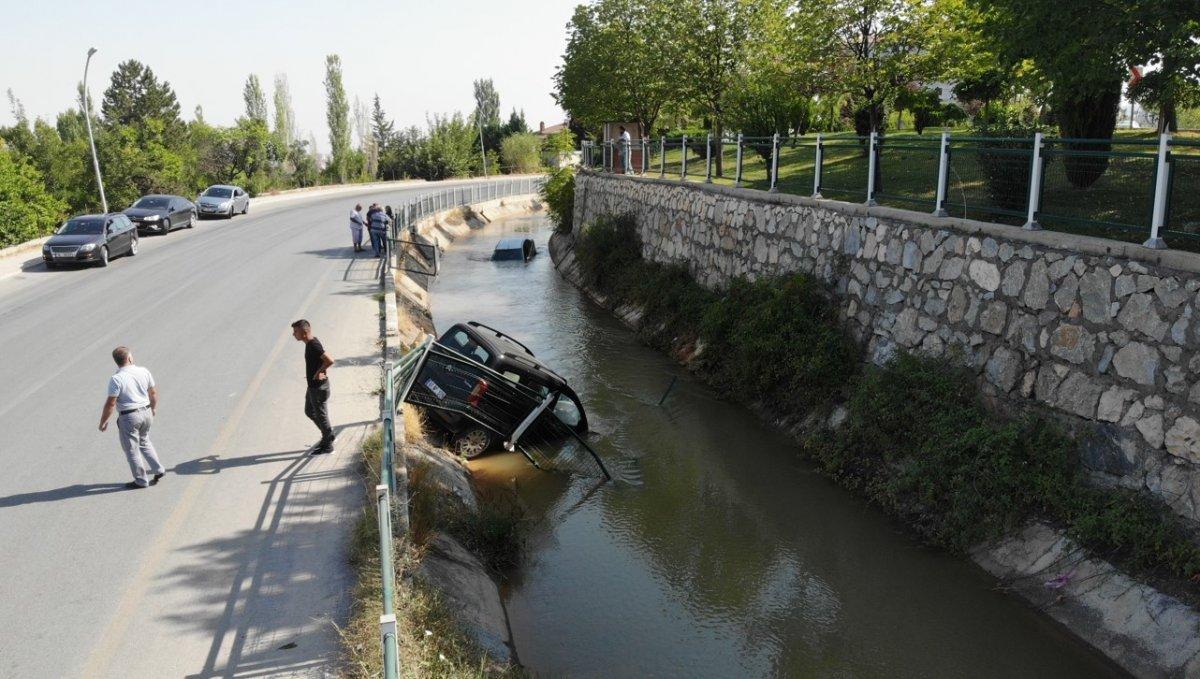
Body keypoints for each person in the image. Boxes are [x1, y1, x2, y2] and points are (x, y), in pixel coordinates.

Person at [98, 346, 166, 489]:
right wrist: (153, 408)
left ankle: (141, 480)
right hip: (146, 411)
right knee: (145, 441)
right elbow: (153, 393)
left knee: (132, 450)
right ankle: (158, 469)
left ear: (117, 362)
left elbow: (111, 403)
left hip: (129, 417)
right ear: (129, 358)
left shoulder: (116, 379)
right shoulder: (144, 371)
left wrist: (103, 422)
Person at [292, 320, 335, 454]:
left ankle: (327, 445)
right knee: (309, 411)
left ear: (304, 333)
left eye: (296, 331)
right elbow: (321, 361)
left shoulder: (313, 344)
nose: (294, 334)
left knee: (321, 415)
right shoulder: (310, 343)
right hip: (313, 386)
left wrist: (318, 372)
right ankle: (328, 435)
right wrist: (318, 371)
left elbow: (329, 360)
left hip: (318, 388)